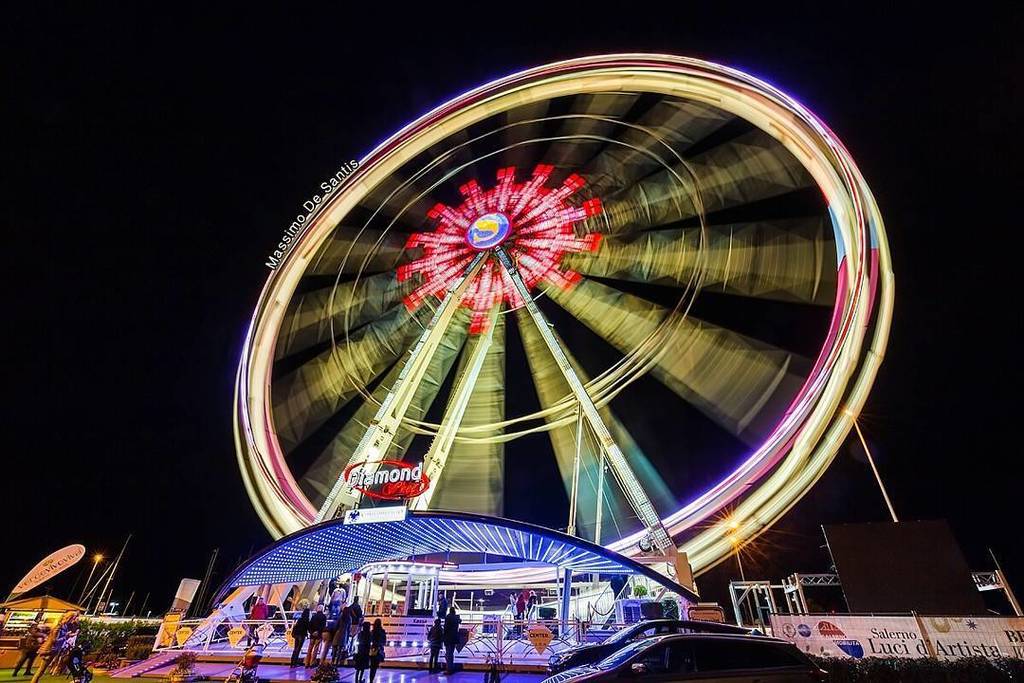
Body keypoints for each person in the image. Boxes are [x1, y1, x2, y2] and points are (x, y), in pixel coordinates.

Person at [289, 603, 310, 667]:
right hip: (302, 635)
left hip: (297, 634)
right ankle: (295, 663)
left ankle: (292, 662)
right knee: (298, 649)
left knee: (295, 649)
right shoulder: (307, 620)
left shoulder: (300, 619)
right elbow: (308, 628)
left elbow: (295, 626)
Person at [443, 606, 461, 674]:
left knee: (448, 654)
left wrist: (443, 637)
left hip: (448, 638)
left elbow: (446, 628)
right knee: (451, 653)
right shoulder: (456, 617)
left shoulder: (448, 617)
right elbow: (460, 621)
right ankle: (451, 667)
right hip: (454, 638)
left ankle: (449, 669)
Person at [368, 618, 386, 683]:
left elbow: (370, 640)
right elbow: (384, 641)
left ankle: (371, 680)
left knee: (372, 667)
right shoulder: (382, 631)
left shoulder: (372, 631)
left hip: (373, 650)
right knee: (374, 667)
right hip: (379, 650)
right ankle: (371, 679)